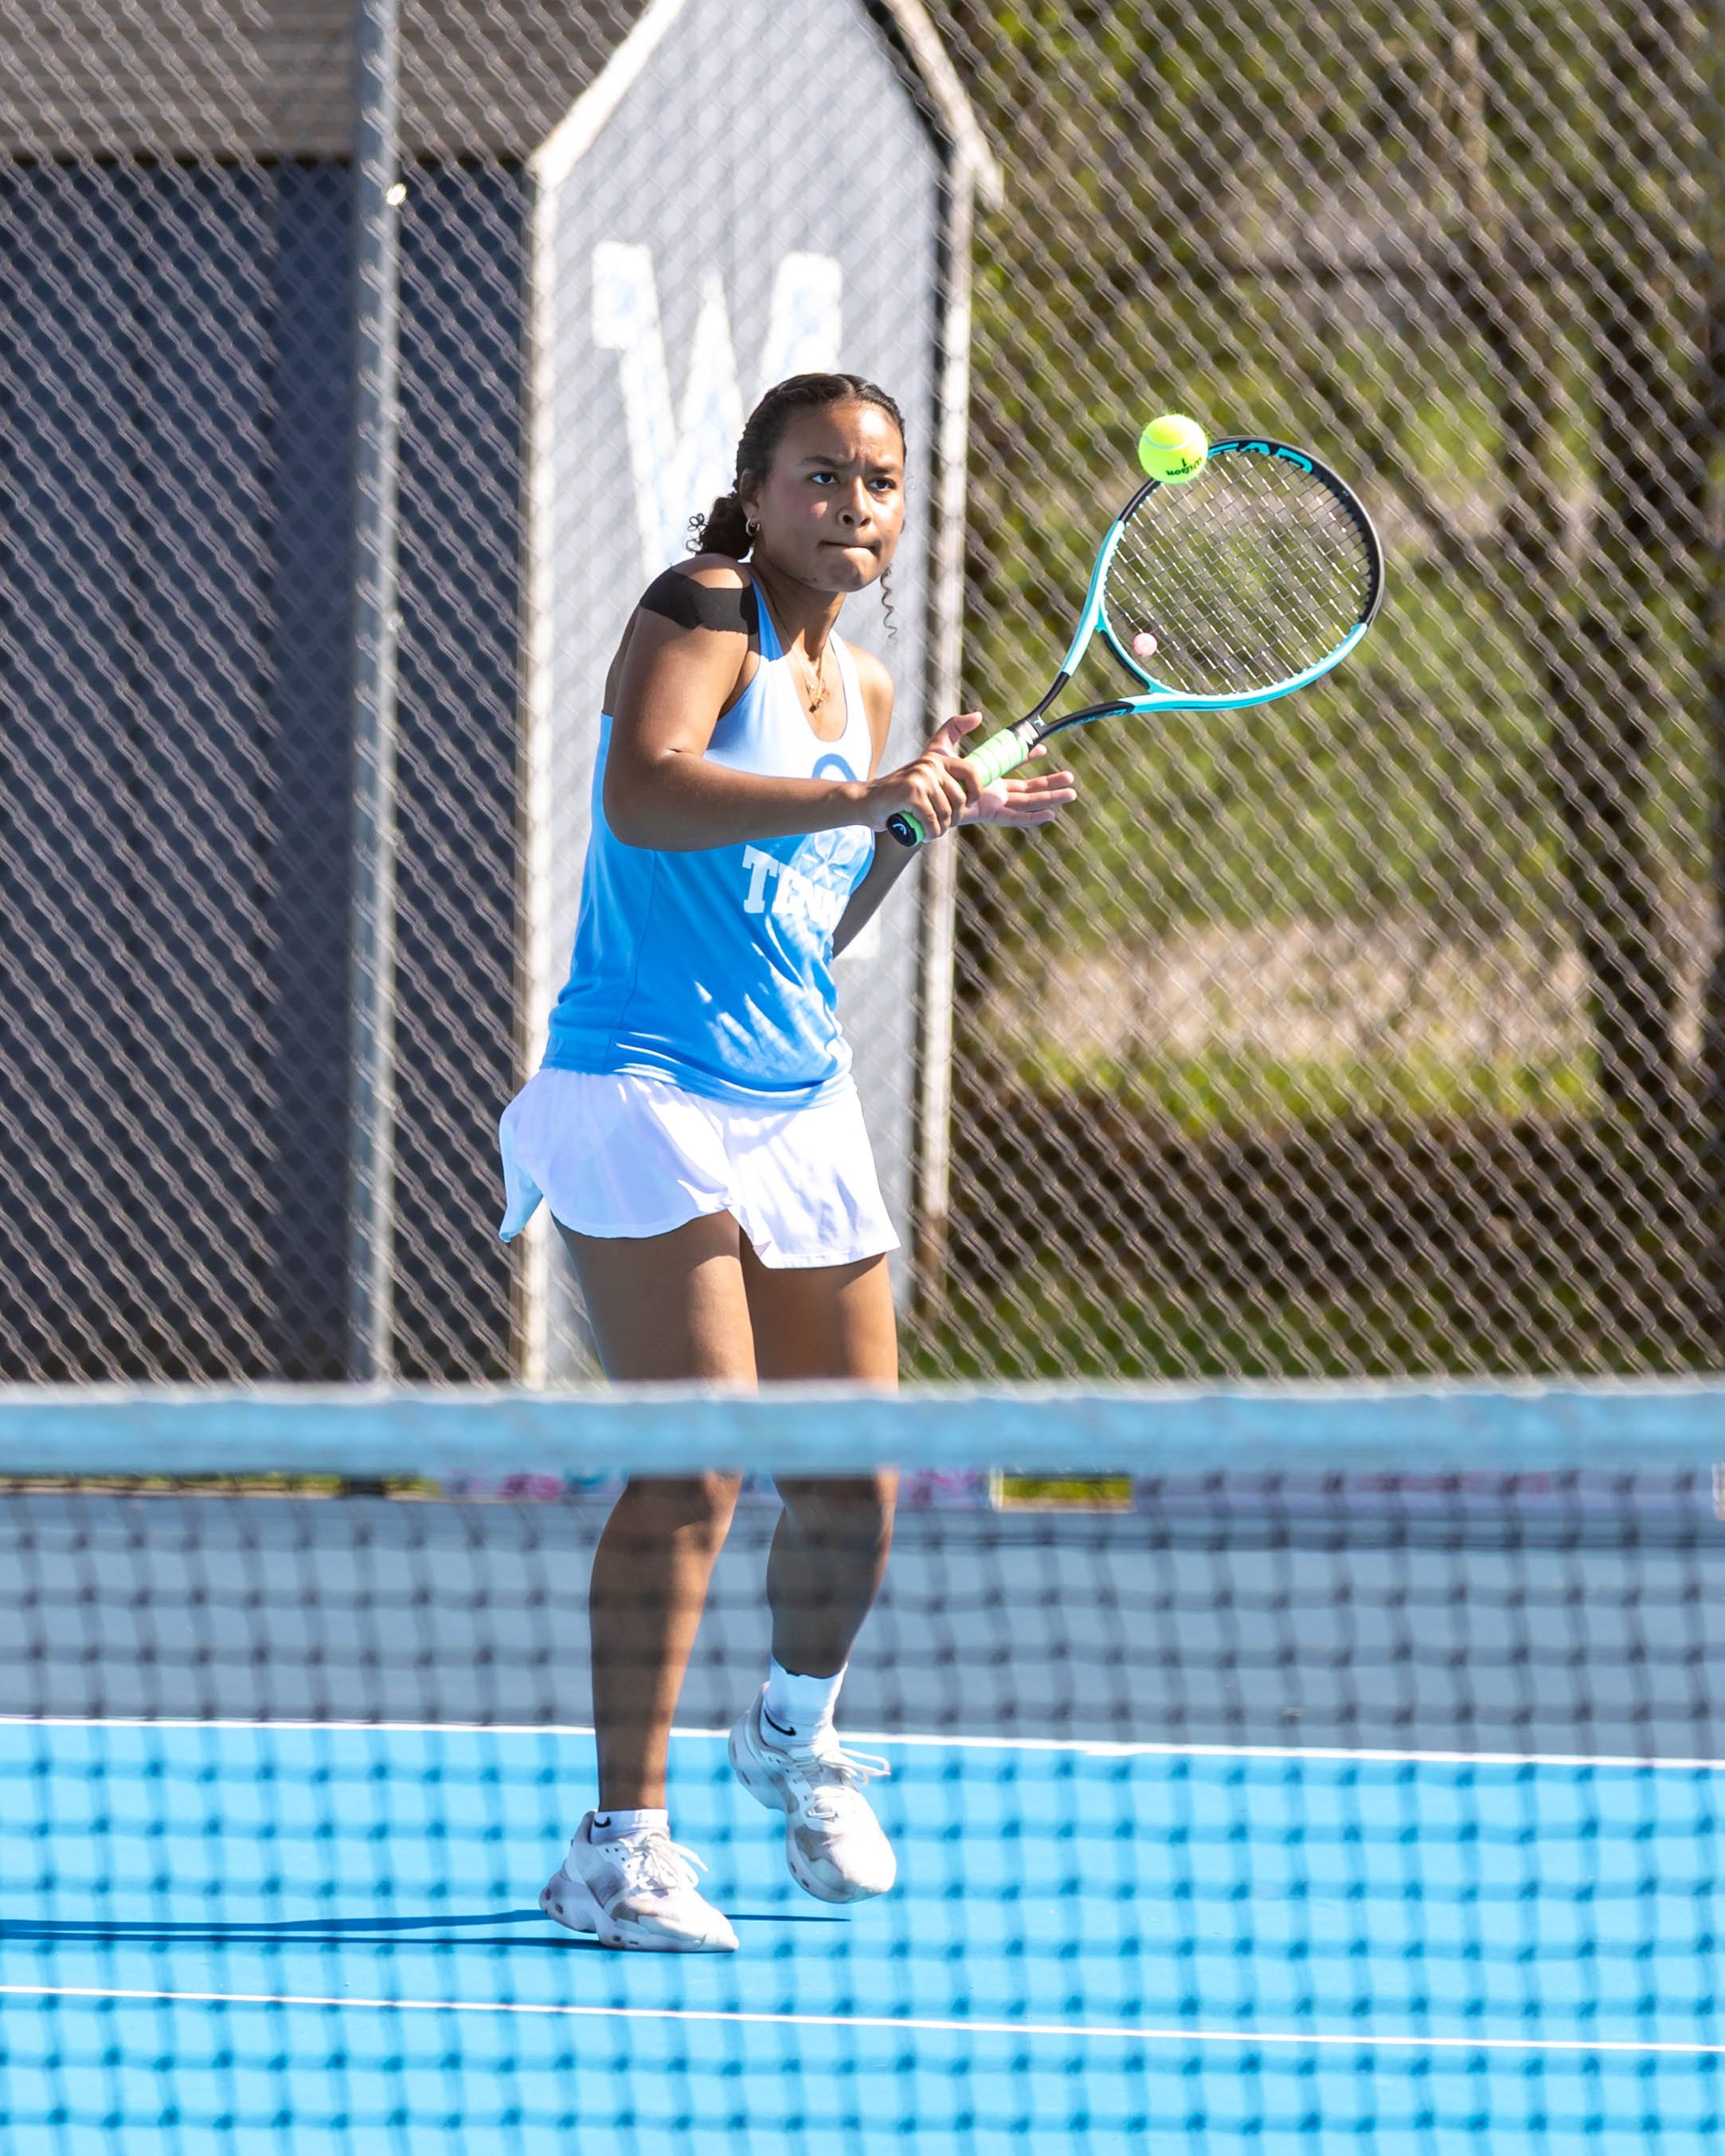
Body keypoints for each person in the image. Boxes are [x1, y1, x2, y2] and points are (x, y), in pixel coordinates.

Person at [498, 372, 1075, 1951]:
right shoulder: (703, 604)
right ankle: (619, 1842)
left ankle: (790, 1731)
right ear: (755, 495)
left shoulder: (872, 695)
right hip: (638, 1086)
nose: (855, 507)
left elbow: (808, 917)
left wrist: (902, 825)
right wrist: (857, 790)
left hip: (795, 1096)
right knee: (697, 1460)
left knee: (858, 1485)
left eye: (879, 484)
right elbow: (648, 787)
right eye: (820, 478)